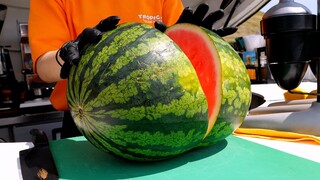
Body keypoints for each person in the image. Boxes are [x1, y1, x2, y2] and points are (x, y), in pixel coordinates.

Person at [28, 0, 236, 138]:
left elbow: (180, 55)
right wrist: (63, 55)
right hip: (88, 123)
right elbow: (44, 68)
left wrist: (193, 37)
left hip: (163, 116)